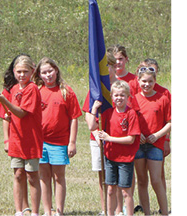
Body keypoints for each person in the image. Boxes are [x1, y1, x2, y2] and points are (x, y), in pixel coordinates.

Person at [32, 57, 82, 216]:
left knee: (58, 177)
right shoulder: (36, 91)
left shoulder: (66, 91)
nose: (48, 75)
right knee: (44, 177)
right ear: (39, 75)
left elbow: (74, 117)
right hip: (40, 143)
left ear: (56, 71)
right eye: (44, 72)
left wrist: (72, 142)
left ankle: (59, 211)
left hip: (60, 142)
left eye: (50, 71)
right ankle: (48, 211)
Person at [0, 55, 43, 216]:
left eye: (25, 71)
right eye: (19, 71)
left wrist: (4, 101)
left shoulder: (32, 89)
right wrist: (8, 115)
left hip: (31, 140)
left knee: (32, 176)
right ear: (14, 71)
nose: (22, 75)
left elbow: (22, 113)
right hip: (16, 139)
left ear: (32, 71)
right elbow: (12, 113)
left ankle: (35, 211)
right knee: (18, 174)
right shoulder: (14, 89)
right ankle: (19, 210)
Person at [94, 80, 140, 216]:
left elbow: (131, 139)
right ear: (112, 97)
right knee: (110, 189)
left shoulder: (131, 114)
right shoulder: (108, 113)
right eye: (116, 95)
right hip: (110, 157)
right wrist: (94, 109)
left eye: (122, 95)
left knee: (126, 191)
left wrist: (109, 139)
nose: (119, 98)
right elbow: (92, 125)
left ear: (127, 96)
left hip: (125, 159)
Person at [132, 59, 171, 214]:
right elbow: (130, 120)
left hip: (155, 145)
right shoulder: (133, 99)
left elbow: (170, 122)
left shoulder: (163, 98)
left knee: (156, 180)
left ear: (155, 81)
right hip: (138, 145)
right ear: (138, 81)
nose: (146, 85)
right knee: (142, 180)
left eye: (149, 81)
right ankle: (146, 212)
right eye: (143, 81)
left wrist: (158, 135)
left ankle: (165, 211)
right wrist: (138, 134)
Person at [82, 52, 117, 215]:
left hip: (118, 138)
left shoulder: (120, 88)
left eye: (107, 66)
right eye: (100, 68)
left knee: (119, 174)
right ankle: (105, 208)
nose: (104, 70)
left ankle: (119, 208)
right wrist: (96, 134)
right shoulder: (95, 90)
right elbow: (89, 117)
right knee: (103, 176)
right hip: (98, 138)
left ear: (113, 67)